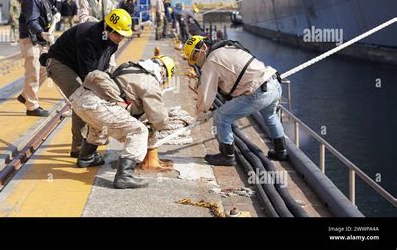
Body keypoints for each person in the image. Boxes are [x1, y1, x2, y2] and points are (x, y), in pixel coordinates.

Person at [69, 55, 175, 189]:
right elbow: (158, 117)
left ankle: (86, 157)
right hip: (98, 105)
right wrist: (163, 125)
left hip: (80, 99)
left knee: (100, 125)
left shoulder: (128, 67)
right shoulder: (150, 81)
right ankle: (124, 176)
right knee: (138, 130)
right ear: (164, 72)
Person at [39, 9, 133, 158]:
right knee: (82, 99)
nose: (121, 38)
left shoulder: (112, 40)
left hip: (78, 65)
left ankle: (93, 138)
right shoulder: (89, 37)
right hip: (60, 63)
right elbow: (89, 76)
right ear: (106, 28)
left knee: (96, 96)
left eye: (123, 35)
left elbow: (102, 68)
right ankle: (78, 148)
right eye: (118, 34)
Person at [183, 36, 288, 166]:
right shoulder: (229, 48)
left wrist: (201, 114)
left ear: (203, 47)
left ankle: (227, 156)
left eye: (194, 56)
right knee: (270, 116)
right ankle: (281, 151)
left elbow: (206, 93)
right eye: (192, 60)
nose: (196, 61)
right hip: (273, 82)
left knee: (221, 117)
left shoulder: (211, 61)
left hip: (258, 91)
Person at [17, 0, 60, 117]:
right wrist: (42, 33)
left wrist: (56, 14)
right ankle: (31, 106)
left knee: (45, 69)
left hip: (41, 39)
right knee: (33, 72)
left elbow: (51, 8)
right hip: (31, 39)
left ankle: (25, 95)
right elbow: (32, 21)